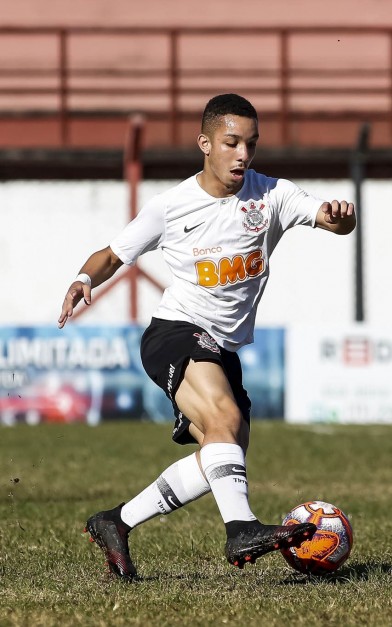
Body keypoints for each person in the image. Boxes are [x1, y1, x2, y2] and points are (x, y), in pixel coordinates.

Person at [58, 93, 357, 580]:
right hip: (174, 333)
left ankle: (116, 522)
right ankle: (240, 529)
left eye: (251, 145)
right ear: (205, 143)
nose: (243, 154)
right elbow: (112, 254)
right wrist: (83, 280)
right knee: (224, 418)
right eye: (232, 142)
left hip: (221, 349)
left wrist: (341, 220)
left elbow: (327, 216)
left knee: (224, 451)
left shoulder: (272, 194)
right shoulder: (171, 206)